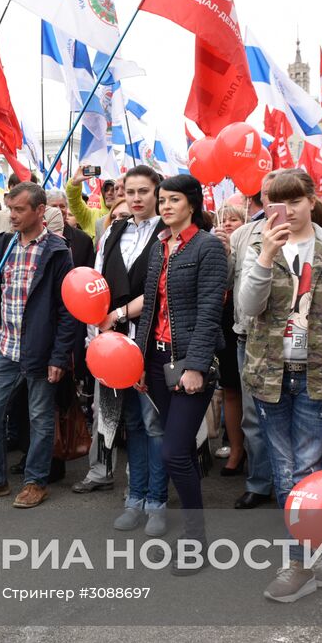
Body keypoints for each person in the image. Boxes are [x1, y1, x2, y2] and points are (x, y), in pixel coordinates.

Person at [236, 169, 322, 602]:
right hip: (270, 374)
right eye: (276, 202)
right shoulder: (257, 243)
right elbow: (247, 309)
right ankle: (314, 562)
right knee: (285, 474)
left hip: (318, 376)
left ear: (312, 200)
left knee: (307, 474)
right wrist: (266, 258)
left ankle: (300, 564)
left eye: (294, 201)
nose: (285, 211)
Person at [111, 174, 226, 561]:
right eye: (162, 200)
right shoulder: (161, 246)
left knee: (174, 450)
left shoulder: (207, 247)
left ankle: (196, 538)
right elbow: (150, 308)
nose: (165, 206)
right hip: (157, 359)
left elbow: (211, 309)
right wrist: (140, 361)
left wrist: (195, 365)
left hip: (190, 362)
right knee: (172, 446)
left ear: (192, 204)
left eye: (173, 200)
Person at [0, 183, 81, 508]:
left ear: (40, 211)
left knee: (40, 418)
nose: (11, 216)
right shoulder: (2, 244)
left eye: (19, 210)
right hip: (5, 347)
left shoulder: (57, 250)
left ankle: (35, 482)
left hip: (40, 351)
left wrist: (59, 356)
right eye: (9, 209)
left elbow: (66, 310)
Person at [77, 167, 165, 515]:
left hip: (150, 338)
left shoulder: (167, 234)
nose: (137, 198)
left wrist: (117, 315)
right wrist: (96, 332)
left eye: (144, 191)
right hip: (112, 343)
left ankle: (156, 498)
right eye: (131, 192)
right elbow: (96, 284)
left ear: (157, 193)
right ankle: (135, 495)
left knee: (153, 422)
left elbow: (159, 288)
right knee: (129, 421)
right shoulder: (114, 230)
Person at [228, 172, 279, 510]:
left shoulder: (317, 235)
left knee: (297, 415)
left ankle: (298, 485)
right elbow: (233, 283)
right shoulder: (243, 234)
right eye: (270, 195)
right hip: (250, 338)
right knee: (254, 414)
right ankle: (260, 482)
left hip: (297, 341)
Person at [212, 204, 248, 476]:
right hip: (226, 322)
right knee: (231, 389)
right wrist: (222, 253)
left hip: (251, 324)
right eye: (223, 220)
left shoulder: (256, 241)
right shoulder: (217, 247)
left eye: (233, 219)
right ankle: (236, 449)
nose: (227, 224)